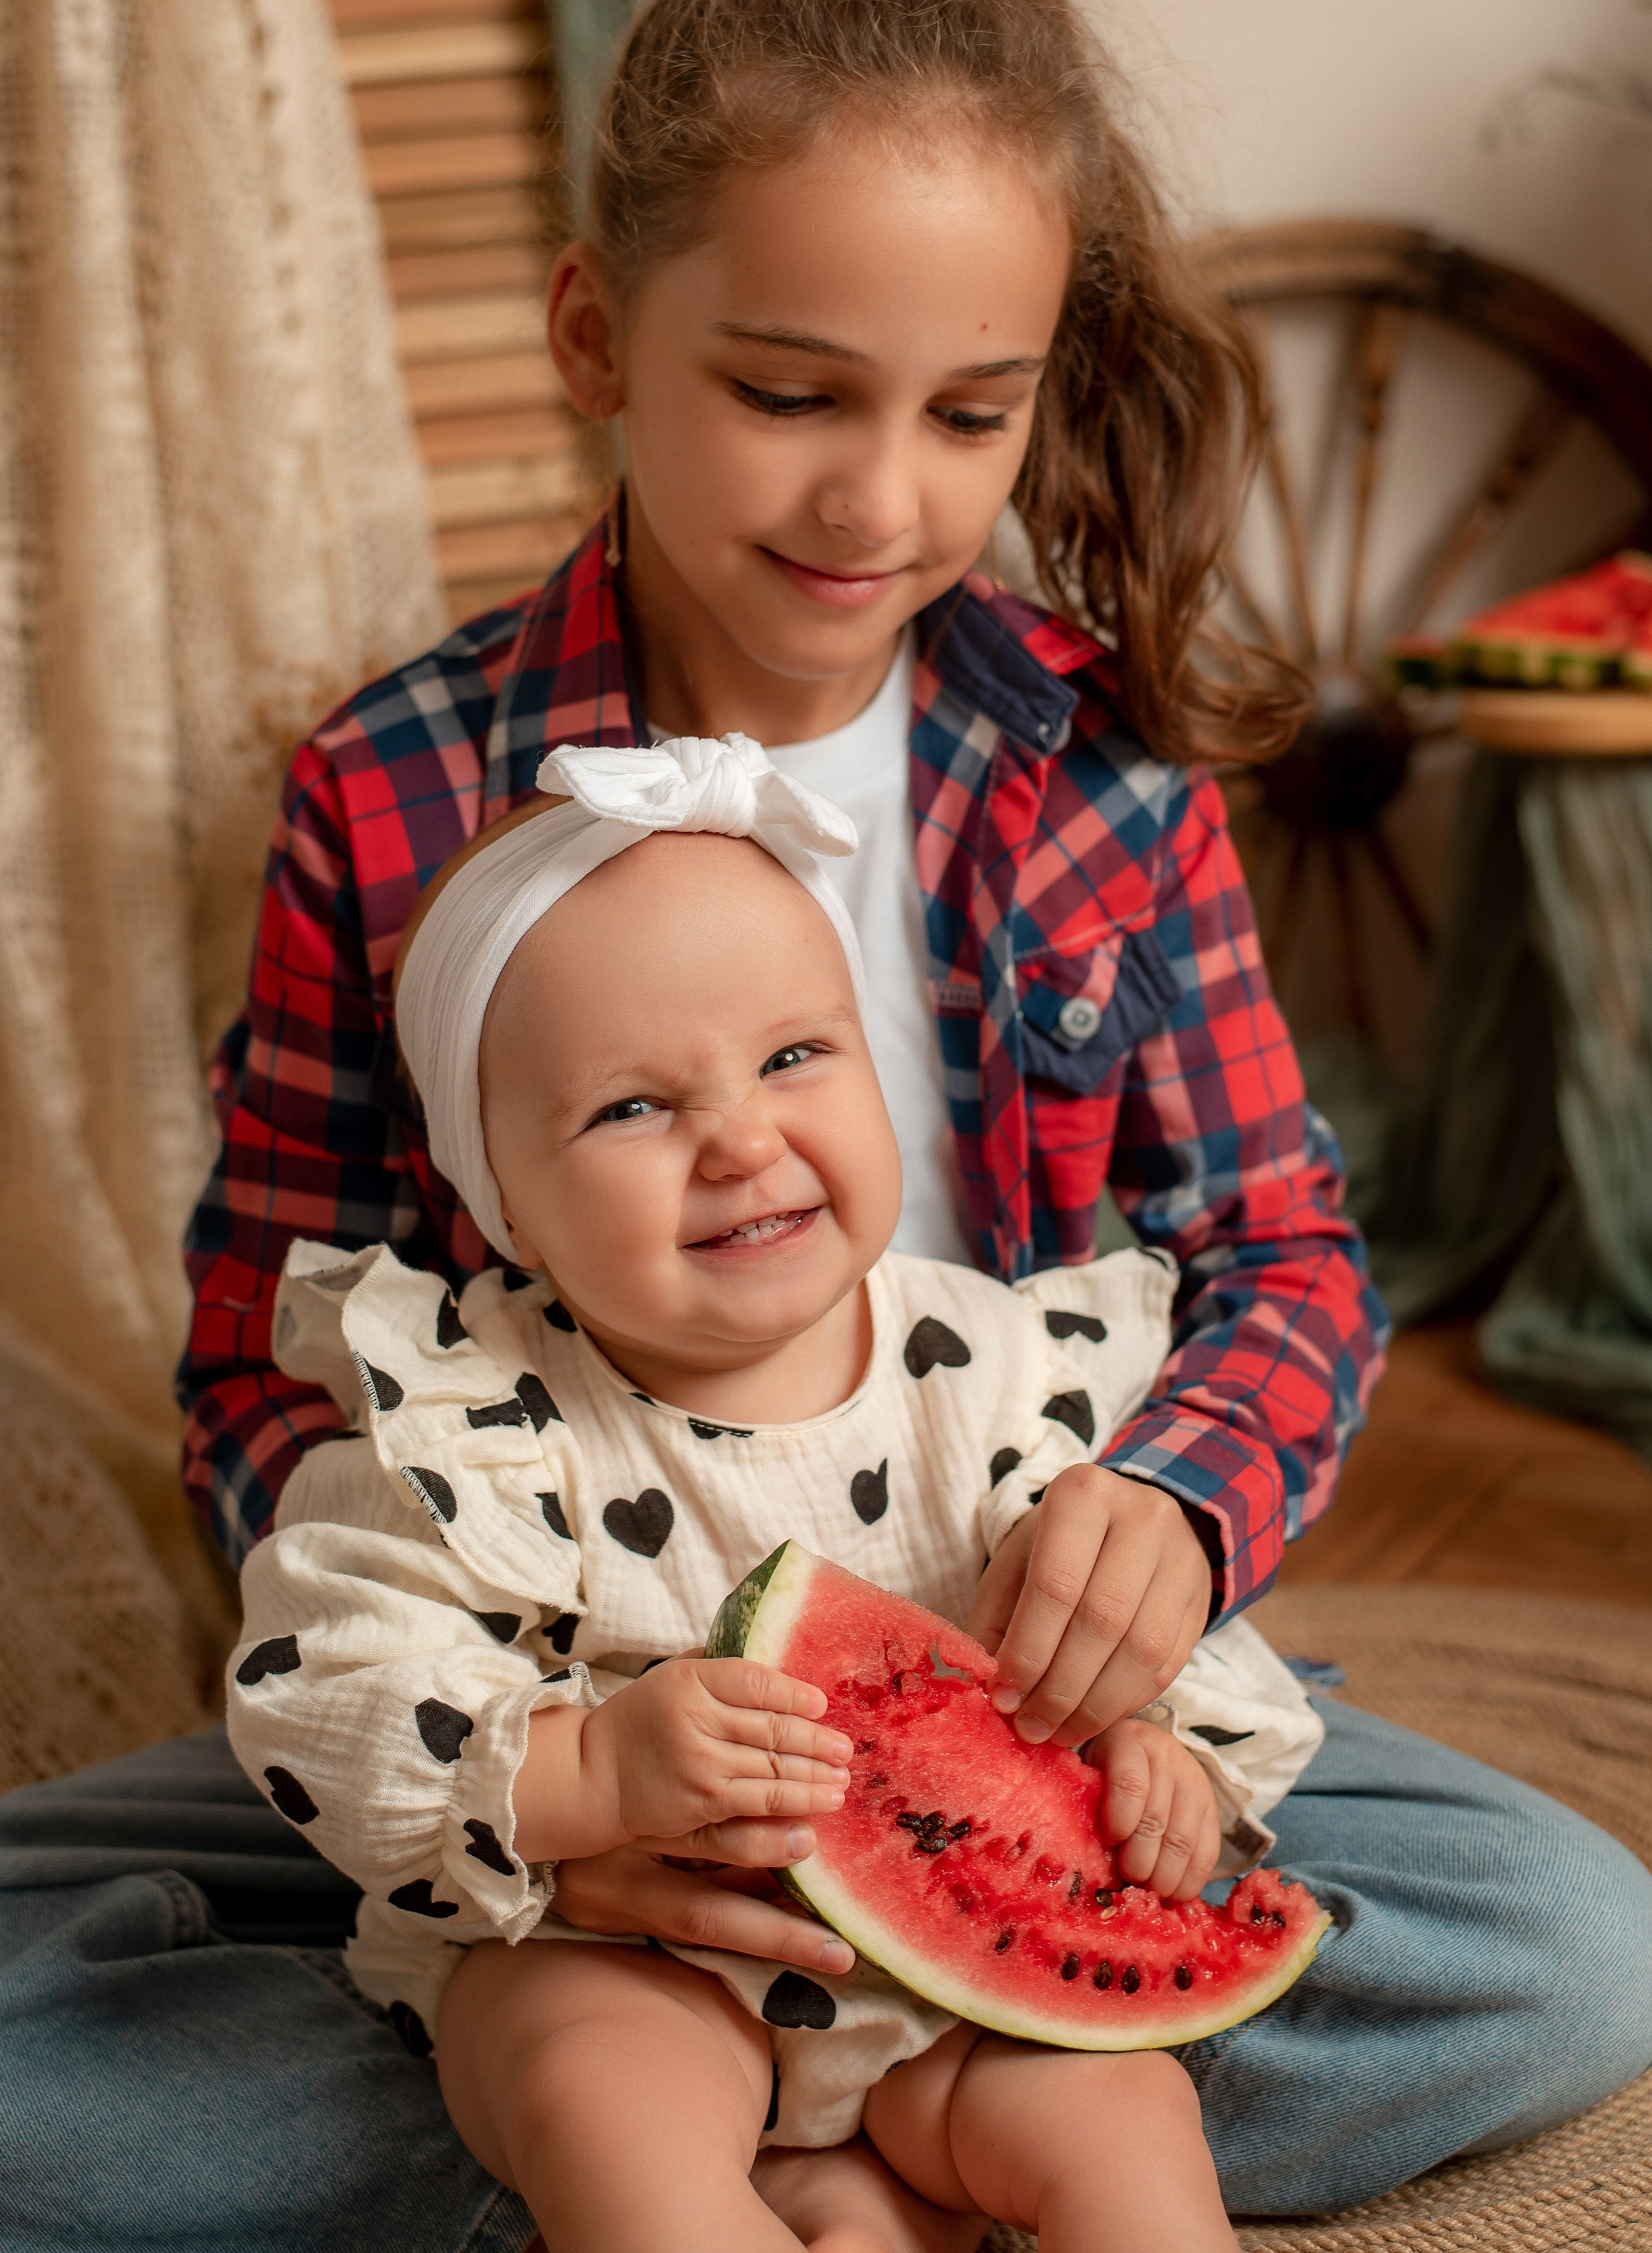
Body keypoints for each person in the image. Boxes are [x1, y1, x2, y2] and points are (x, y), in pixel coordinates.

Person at [0, 0, 1652, 2253]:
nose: (884, 497)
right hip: (569, 1699)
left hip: (1013, 1704)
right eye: (786, 393)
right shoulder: (393, 791)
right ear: (596, 338)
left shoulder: (1106, 772)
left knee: (1579, 1945)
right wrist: (529, 1773)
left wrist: (1169, 1514)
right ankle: (687, 2104)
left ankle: (728, 2141)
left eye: (973, 415)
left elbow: (1283, 1256)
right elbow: (258, 1372)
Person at [229, 731, 1328, 2253]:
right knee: (596, 2091)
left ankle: (856, 2186)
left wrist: (1165, 1774)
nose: (744, 1139)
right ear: (505, 1210)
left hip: (963, 1994)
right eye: (629, 1109)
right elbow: (321, 1695)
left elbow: (1132, 1622)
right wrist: (587, 1778)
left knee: (1130, 2124)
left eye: (796, 1056)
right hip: (621, 1951)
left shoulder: (1004, 1365)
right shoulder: (469, 1423)